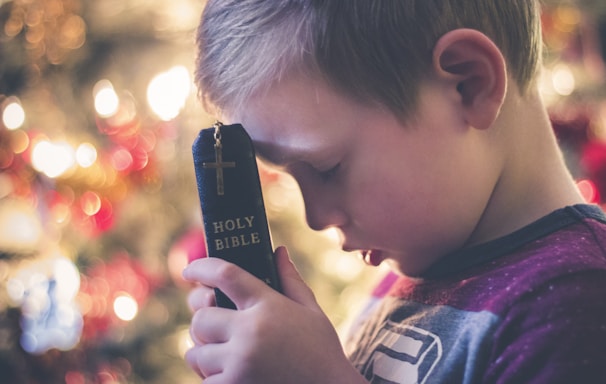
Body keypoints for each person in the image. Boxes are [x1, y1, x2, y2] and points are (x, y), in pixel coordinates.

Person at [182, 1, 606, 383]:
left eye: (328, 169)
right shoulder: (405, 281)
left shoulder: (577, 303)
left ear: (468, 84)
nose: (315, 218)